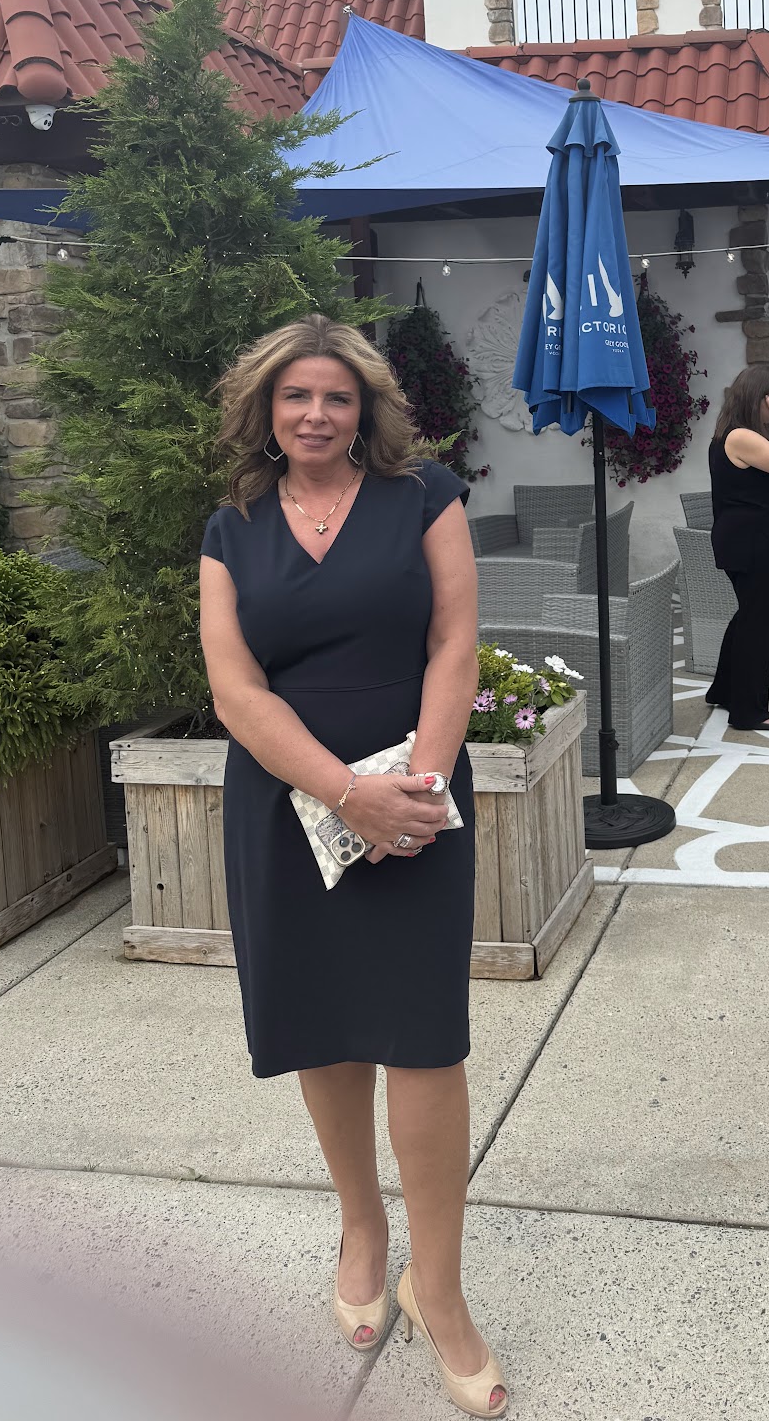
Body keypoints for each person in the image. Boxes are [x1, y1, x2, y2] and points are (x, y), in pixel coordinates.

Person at [199, 314, 507, 1418]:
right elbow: (235, 689)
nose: (317, 414)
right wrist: (345, 793)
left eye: (337, 396)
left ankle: (442, 1289)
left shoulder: (425, 497)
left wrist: (414, 791)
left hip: (416, 800)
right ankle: (362, 1231)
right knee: (326, 1026)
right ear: (266, 410)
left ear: (365, 408)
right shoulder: (230, 529)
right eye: (297, 397)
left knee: (424, 1039)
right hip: (288, 804)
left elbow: (455, 644)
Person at [704, 365, 769, 732]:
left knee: (749, 616)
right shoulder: (741, 437)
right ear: (760, 399)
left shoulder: (729, 434)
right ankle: (749, 711)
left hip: (747, 539)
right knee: (759, 624)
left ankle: (725, 690)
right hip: (752, 542)